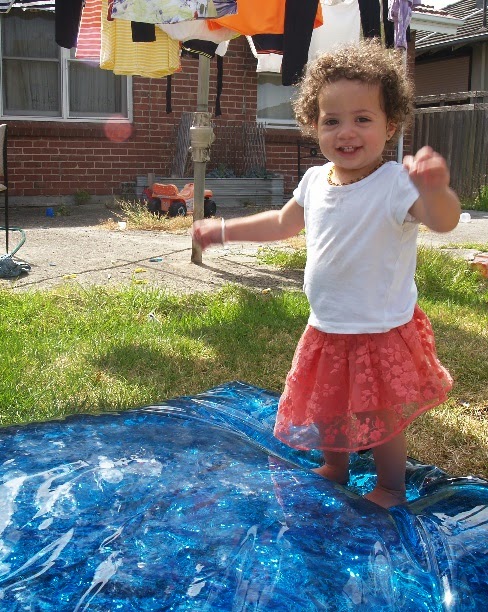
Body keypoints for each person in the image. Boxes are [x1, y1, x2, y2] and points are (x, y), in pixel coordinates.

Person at [192, 40, 460, 509]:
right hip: (328, 324)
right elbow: (281, 223)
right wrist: (224, 230)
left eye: (363, 118)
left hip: (378, 327)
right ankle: (335, 466)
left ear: (390, 124)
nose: (346, 132)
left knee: (381, 414)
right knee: (331, 403)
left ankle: (390, 487)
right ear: (313, 125)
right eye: (331, 120)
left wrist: (437, 191)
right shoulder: (315, 181)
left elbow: (443, 221)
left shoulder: (396, 183)